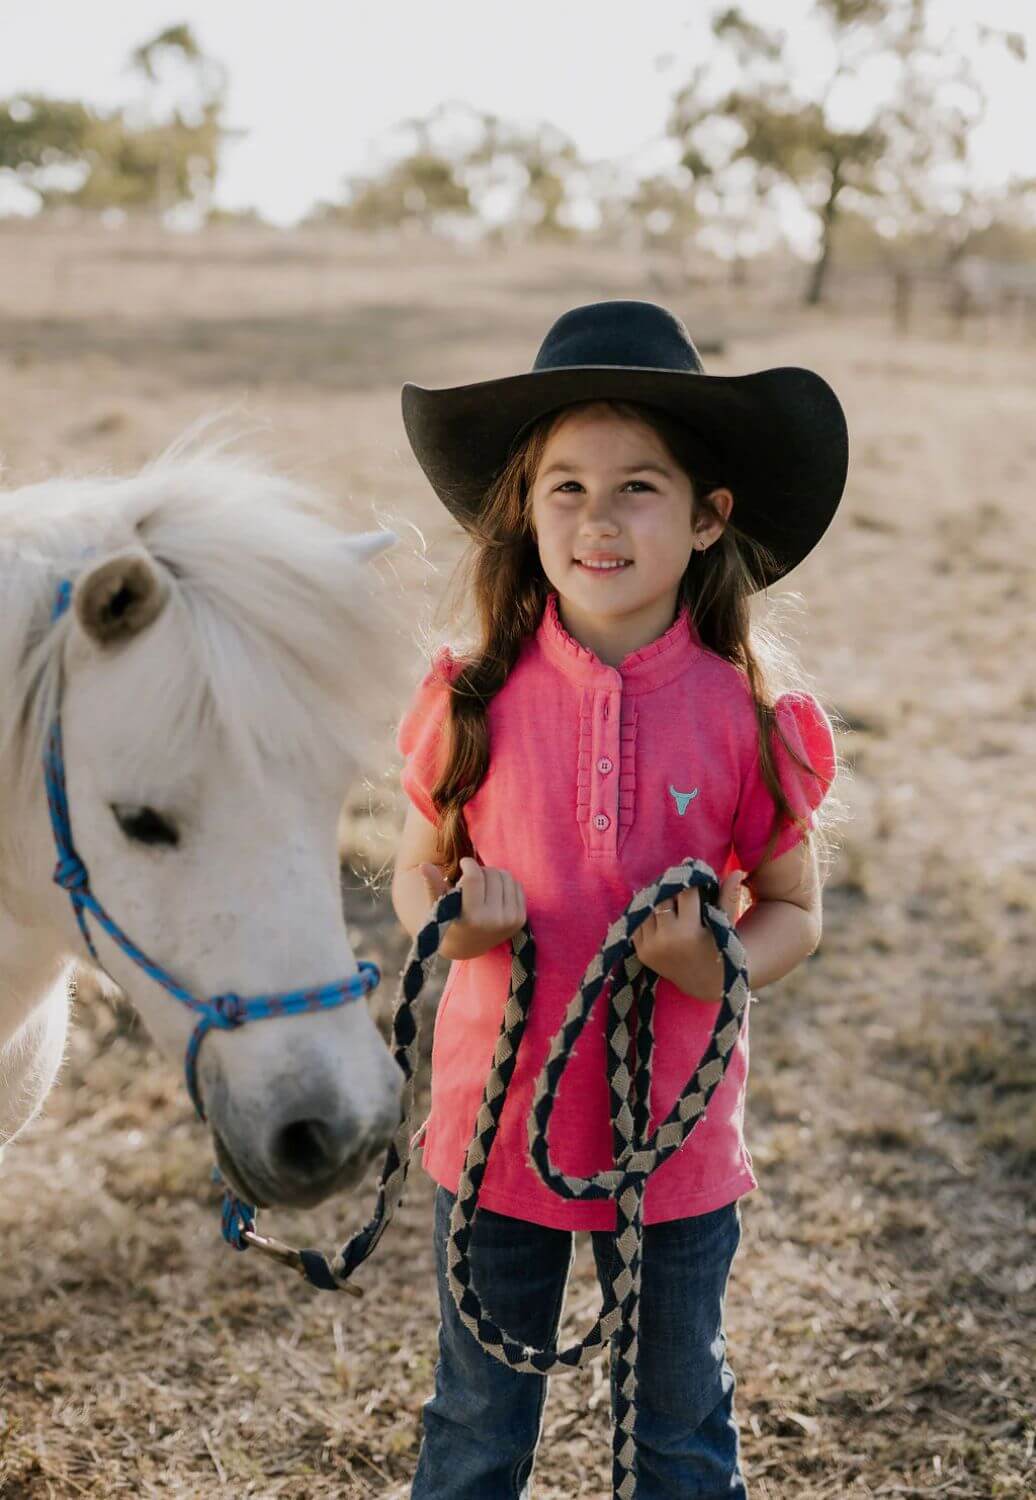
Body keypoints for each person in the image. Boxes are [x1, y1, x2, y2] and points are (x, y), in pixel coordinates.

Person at [390, 300, 847, 1499]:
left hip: (674, 1146)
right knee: (478, 1419)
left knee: (678, 1420)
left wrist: (719, 967)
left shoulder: (748, 718)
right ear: (524, 513)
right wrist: (454, 926)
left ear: (706, 518)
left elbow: (793, 907)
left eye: (637, 486)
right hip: (493, 1131)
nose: (598, 518)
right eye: (565, 488)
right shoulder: (474, 697)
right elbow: (412, 869)